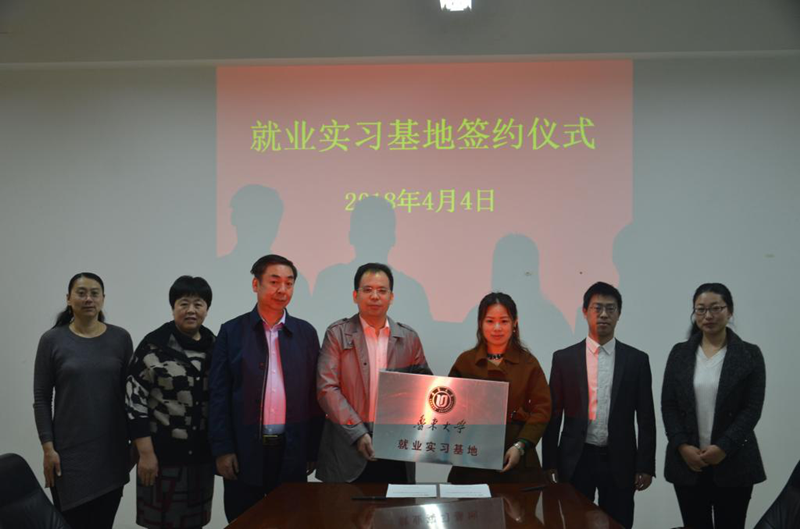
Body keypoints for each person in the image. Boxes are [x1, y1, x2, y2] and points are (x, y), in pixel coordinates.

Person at [209, 254, 323, 522]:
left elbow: (314, 395)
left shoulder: (305, 333)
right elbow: (218, 395)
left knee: (290, 520)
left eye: (289, 283)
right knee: (244, 520)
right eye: (274, 282)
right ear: (255, 284)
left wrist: (312, 450)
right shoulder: (232, 331)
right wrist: (223, 449)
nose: (282, 290)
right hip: (244, 449)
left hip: (291, 449)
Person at [542, 281, 656, 529]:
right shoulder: (564, 359)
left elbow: (646, 417)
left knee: (619, 522)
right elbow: (554, 414)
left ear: (619, 314)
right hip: (576, 458)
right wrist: (549, 461)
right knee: (574, 523)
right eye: (597, 308)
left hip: (620, 459)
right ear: (585, 312)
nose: (604, 314)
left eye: (610, 309)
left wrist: (645, 465)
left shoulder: (636, 360)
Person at [33, 272, 133, 529]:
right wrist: (48, 449)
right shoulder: (52, 340)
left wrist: (135, 446)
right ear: (68, 299)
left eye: (94, 293)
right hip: (68, 457)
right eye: (81, 293)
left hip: (111, 454)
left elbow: (131, 395)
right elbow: (42, 398)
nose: (88, 298)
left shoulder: (120, 338)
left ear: (103, 299)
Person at [316, 262, 433, 483]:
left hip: (396, 447)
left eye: (382, 290)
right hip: (347, 447)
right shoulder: (337, 334)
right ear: (355, 295)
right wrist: (357, 433)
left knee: (396, 505)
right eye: (367, 290)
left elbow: (424, 388)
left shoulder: (408, 338)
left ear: (391, 297)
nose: (375, 296)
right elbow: (327, 389)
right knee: (343, 506)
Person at [661, 283, 766, 529]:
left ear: (729, 311)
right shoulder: (679, 353)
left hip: (734, 461)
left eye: (716, 308)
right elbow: (669, 405)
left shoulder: (750, 354)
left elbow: (752, 409)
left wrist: (723, 447)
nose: (708, 315)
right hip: (688, 463)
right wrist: (682, 446)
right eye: (701, 309)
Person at [126, 276, 216, 528]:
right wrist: (145, 453)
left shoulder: (216, 347)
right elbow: (134, 402)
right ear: (173, 307)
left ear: (207, 309)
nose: (191, 310)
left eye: (198, 304)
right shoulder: (154, 345)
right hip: (160, 458)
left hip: (201, 459)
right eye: (183, 303)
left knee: (195, 523)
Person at [447, 292, 551, 483]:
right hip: (472, 459)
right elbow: (449, 408)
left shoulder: (528, 363)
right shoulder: (466, 362)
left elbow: (542, 408)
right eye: (490, 321)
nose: (497, 328)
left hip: (516, 458)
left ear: (514, 323)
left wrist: (521, 445)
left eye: (504, 321)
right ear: (480, 323)